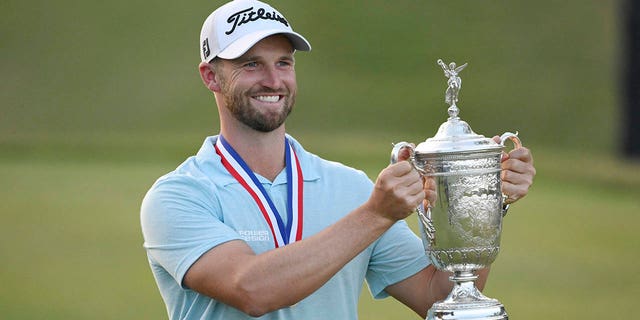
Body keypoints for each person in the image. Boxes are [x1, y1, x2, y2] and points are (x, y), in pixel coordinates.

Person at [140, 1, 536, 319]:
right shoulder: (179, 196)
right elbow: (252, 290)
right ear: (211, 77)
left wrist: (480, 203)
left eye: (284, 63)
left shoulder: (349, 187)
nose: (273, 80)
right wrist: (376, 214)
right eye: (251, 64)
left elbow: (437, 295)